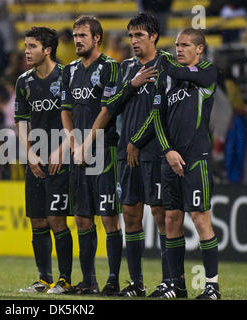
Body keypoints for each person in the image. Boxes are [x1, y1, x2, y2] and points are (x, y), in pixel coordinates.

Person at [82, 13, 170, 297]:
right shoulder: (125, 67)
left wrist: (137, 140)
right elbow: (112, 106)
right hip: (125, 154)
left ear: (153, 36)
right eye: (131, 36)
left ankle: (170, 281)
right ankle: (136, 283)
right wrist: (131, 85)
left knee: (160, 216)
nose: (133, 41)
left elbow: (163, 112)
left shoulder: (166, 64)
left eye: (139, 36)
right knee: (131, 216)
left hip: (155, 152)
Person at [131, 28, 221, 299]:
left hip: (196, 159)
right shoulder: (167, 79)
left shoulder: (207, 72)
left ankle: (212, 287)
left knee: (201, 219)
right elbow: (157, 117)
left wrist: (165, 64)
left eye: (185, 45)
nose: (178, 49)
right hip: (170, 160)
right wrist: (167, 150)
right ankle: (175, 284)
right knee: (171, 219)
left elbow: (180, 72)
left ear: (199, 49)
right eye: (176, 45)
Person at [60, 16, 123, 296]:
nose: (77, 40)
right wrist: (74, 142)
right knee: (82, 218)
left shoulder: (110, 67)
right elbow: (65, 109)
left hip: (104, 150)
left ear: (97, 38)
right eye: (75, 35)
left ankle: (113, 280)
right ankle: (88, 280)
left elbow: (107, 110)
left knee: (109, 217)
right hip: (79, 151)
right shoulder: (69, 70)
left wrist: (87, 144)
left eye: (83, 35)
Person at [14, 26, 73, 294]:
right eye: (26, 46)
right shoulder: (23, 81)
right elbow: (21, 122)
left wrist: (62, 150)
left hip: (60, 160)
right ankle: (44, 279)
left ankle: (65, 279)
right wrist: (29, 155)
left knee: (56, 219)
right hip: (35, 160)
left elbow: (73, 119)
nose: (26, 51)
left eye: (32, 47)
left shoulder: (66, 77)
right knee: (37, 220)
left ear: (47, 50)